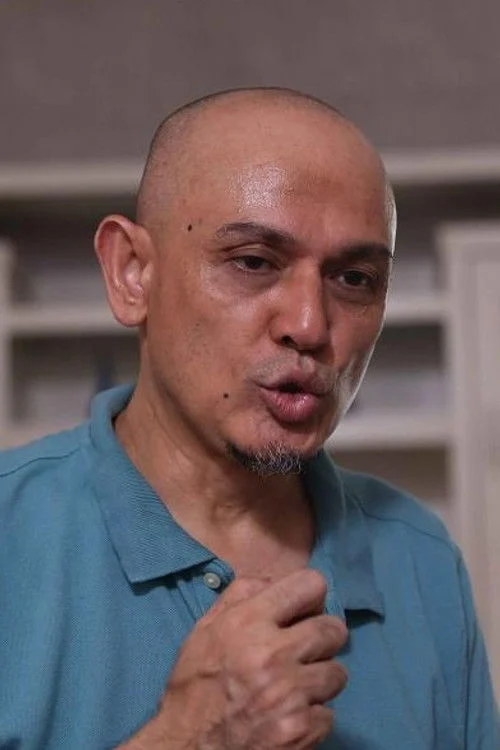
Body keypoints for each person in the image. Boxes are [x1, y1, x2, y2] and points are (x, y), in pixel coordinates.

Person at [0, 87, 498, 750]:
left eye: (354, 278)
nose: (309, 325)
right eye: (254, 262)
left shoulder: (422, 558)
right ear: (131, 273)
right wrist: (185, 739)